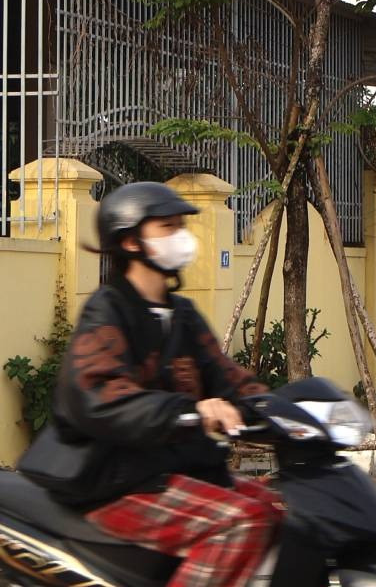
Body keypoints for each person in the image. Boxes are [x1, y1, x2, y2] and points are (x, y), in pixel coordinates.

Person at [40, 181, 281, 587]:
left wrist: (285, 410)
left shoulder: (181, 314)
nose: (180, 238)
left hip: (170, 473)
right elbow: (100, 395)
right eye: (166, 227)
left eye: (179, 226)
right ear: (131, 242)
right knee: (239, 522)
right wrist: (189, 411)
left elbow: (227, 377)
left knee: (280, 509)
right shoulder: (107, 311)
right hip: (115, 481)